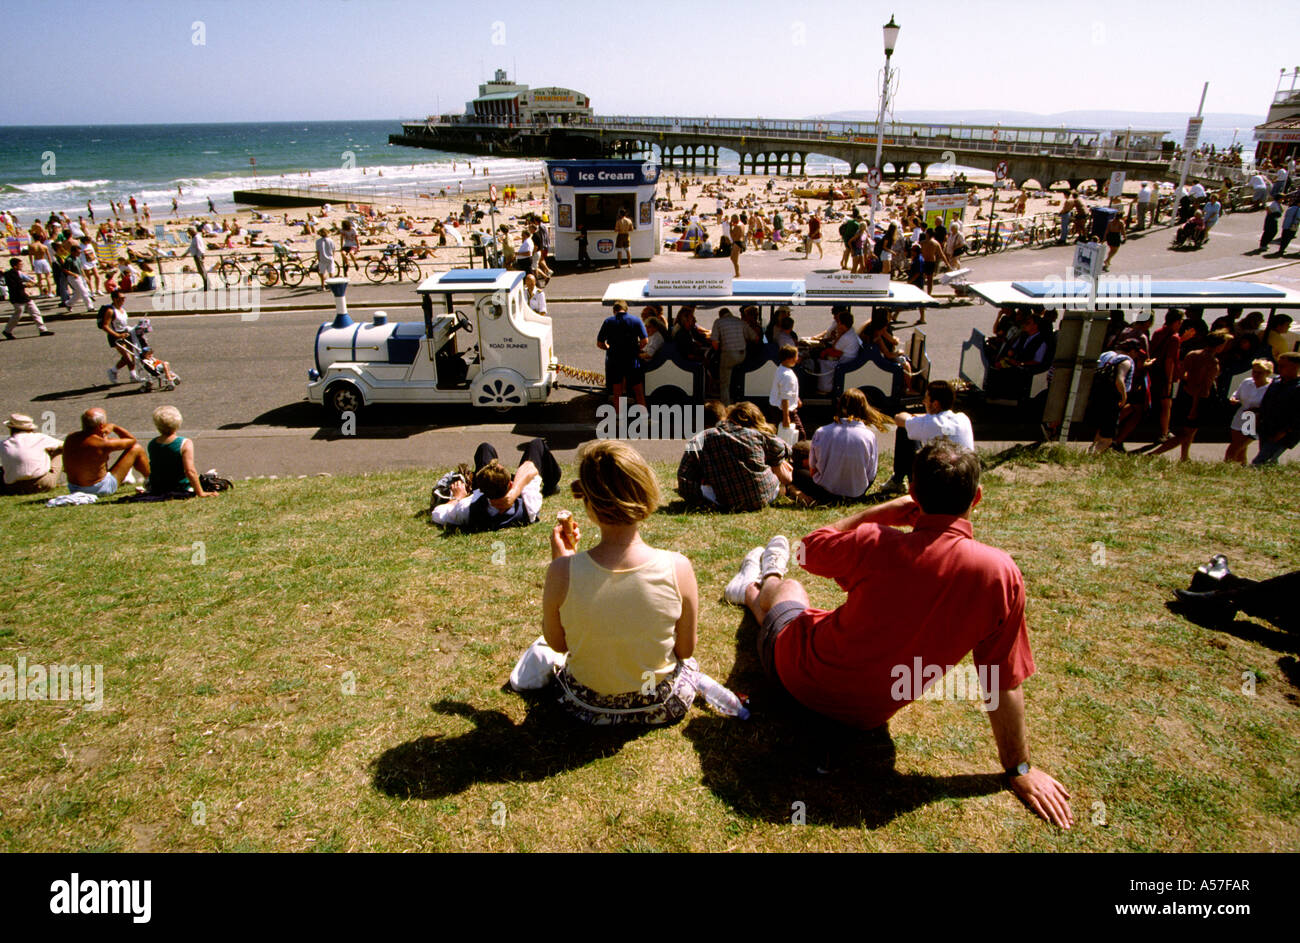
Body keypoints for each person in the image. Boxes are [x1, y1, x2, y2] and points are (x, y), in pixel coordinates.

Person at [722, 439, 1073, 828]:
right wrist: (1019, 767)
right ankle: (754, 587)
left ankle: (756, 583)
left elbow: (807, 550)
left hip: (798, 672)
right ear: (977, 498)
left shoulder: (876, 542)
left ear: (913, 493)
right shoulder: (1000, 575)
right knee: (797, 606)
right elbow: (1002, 680)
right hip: (865, 715)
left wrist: (880, 512)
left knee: (789, 590)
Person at [540, 440, 698, 726]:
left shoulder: (561, 571)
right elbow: (685, 651)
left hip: (587, 704)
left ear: (587, 503)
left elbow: (558, 645)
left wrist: (563, 565)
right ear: (646, 492)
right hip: (659, 702)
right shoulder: (678, 567)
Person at [677, 401, 804, 511]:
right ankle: (790, 489)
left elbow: (684, 478)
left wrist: (699, 499)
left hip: (724, 500)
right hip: (763, 496)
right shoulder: (754, 434)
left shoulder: (699, 439)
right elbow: (785, 448)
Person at [430, 438, 561, 531]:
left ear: (479, 487)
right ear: (510, 483)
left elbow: (437, 514)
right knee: (537, 443)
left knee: (485, 448)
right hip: (512, 490)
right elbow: (530, 468)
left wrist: (457, 498)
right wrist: (515, 491)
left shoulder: (466, 508)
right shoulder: (530, 502)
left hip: (486, 495)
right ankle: (551, 486)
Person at [796, 388, 891, 503]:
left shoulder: (821, 432)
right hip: (856, 493)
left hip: (825, 492)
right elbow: (871, 473)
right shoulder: (869, 435)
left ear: (839, 405)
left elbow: (813, 466)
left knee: (796, 473)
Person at [1147, 330, 1230, 461]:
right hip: (1197, 400)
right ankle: (1155, 454)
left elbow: (1181, 373)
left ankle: (1184, 456)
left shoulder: (1192, 354)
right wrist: (1195, 408)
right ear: (1219, 345)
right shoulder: (1212, 362)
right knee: (1185, 434)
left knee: (1189, 431)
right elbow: (1204, 388)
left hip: (1184, 395)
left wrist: (1188, 383)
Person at [882, 379, 974, 491]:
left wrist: (914, 417)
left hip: (942, 483)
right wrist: (921, 417)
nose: (923, 402)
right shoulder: (963, 418)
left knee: (904, 429)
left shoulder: (932, 423)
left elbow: (898, 418)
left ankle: (897, 480)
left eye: (925, 399)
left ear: (935, 404)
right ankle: (897, 480)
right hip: (966, 481)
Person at [62, 408, 149, 498]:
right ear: (101, 426)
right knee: (136, 448)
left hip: (74, 488)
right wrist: (114, 427)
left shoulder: (70, 438)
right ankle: (152, 481)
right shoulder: (103, 443)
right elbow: (132, 441)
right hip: (99, 489)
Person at [1084, 339, 1142, 454]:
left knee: (1101, 430)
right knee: (1107, 439)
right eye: (1136, 352)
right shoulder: (1126, 361)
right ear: (1131, 351)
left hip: (1097, 394)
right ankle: (1090, 456)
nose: (1136, 355)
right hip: (1111, 399)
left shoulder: (1107, 355)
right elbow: (1119, 380)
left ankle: (1091, 450)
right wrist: (1124, 396)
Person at [146, 406, 213, 497]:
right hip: (180, 487)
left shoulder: (152, 444)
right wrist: (200, 492)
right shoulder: (185, 443)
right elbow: (190, 471)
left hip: (157, 487)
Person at [597, 300, 647, 411]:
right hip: (632, 360)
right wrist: (636, 349)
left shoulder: (608, 322)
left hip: (615, 360)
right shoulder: (636, 320)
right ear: (626, 309)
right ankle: (645, 415)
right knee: (638, 390)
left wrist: (608, 348)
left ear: (614, 311)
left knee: (617, 392)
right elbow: (645, 340)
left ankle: (619, 416)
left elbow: (600, 343)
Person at [1252, 352, 1300, 465]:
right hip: (1267, 428)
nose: (1279, 368)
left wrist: (1284, 431)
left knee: (1260, 462)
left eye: (1283, 366)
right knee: (1269, 460)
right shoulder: (1276, 382)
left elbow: (1298, 415)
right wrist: (1259, 418)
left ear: (1295, 367)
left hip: (1284, 433)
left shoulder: (1297, 387)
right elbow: (1266, 402)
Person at [1224, 360, 1273, 464]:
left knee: (1234, 448)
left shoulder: (1271, 387)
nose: (1256, 375)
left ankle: (1224, 468)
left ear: (1268, 373)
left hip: (1255, 419)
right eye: (1254, 372)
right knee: (1241, 450)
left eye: (1260, 373)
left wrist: (1258, 410)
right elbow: (1236, 394)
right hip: (1241, 416)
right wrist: (1233, 398)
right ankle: (1242, 468)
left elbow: (1272, 405)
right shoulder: (1247, 382)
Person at [0, 413, 62, 495]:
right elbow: (65, 445)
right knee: (59, 452)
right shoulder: (40, 438)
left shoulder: (3, 443)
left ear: (10, 428)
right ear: (31, 429)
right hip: (42, 484)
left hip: (13, 488)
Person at [710, 306, 757, 406]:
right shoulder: (740, 321)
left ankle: (726, 405)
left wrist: (719, 351)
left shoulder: (718, 322)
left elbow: (714, 343)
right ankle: (738, 399)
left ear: (720, 315)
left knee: (724, 383)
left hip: (728, 355)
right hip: (742, 355)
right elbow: (755, 337)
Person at [3, 259, 54, 339]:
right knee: (17, 316)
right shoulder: (10, 274)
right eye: (20, 264)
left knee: (35, 312)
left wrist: (35, 284)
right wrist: (26, 285)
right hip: (17, 298)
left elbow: (27, 279)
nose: (22, 266)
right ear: (15, 266)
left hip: (24, 297)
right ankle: (7, 331)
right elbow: (14, 285)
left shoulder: (19, 273)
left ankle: (43, 330)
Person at [816, 307, 861, 394]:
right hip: (845, 357)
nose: (838, 325)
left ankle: (825, 388)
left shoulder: (846, 337)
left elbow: (835, 347)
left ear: (843, 325)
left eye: (839, 323)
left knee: (823, 362)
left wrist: (839, 334)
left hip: (845, 361)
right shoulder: (850, 331)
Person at [99, 290, 140, 383]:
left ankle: (113, 371)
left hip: (126, 334)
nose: (123, 300)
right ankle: (133, 376)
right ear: (114, 299)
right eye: (121, 298)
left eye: (124, 298)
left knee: (131, 355)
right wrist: (117, 335)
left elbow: (123, 325)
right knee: (127, 356)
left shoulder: (122, 310)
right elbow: (105, 326)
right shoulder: (110, 311)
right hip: (116, 336)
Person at [767, 344, 804, 441]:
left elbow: (785, 391)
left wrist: (797, 400)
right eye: (796, 356)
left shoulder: (780, 369)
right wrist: (786, 417)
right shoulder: (787, 375)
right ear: (789, 359)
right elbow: (785, 398)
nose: (797, 359)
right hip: (784, 410)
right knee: (800, 435)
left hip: (777, 408)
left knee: (779, 434)